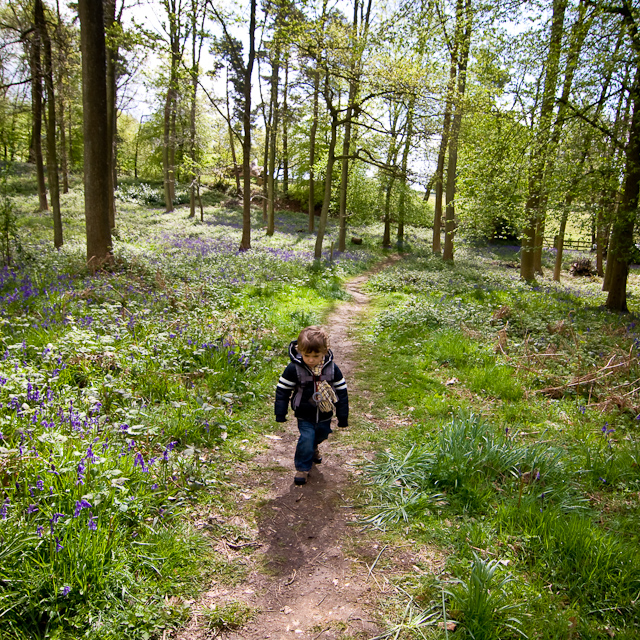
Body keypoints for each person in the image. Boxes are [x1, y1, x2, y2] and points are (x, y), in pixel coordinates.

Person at [274, 326, 349, 485]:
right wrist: (280, 413)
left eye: (316, 355)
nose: (311, 359)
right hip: (304, 413)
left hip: (325, 413)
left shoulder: (331, 368)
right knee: (306, 437)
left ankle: (314, 447)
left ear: (325, 351)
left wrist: (342, 416)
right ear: (300, 350)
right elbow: (283, 390)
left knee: (322, 433)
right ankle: (302, 468)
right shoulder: (294, 369)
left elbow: (341, 391)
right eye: (307, 355)